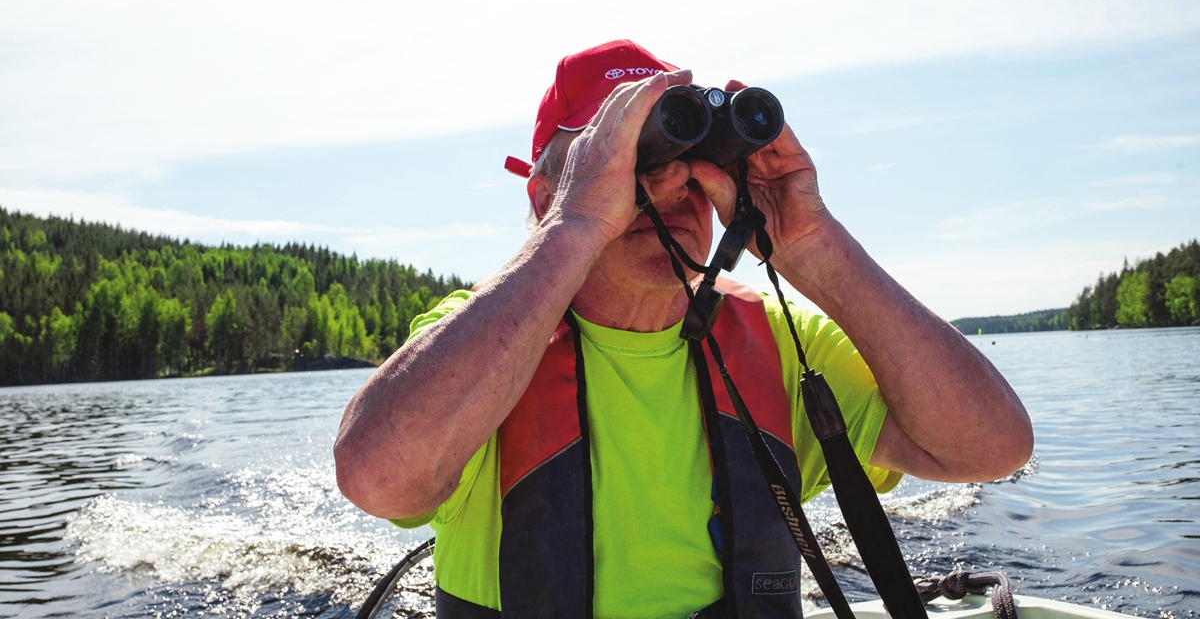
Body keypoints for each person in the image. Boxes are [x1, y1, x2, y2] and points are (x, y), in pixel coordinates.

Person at [334, 40, 1033, 618]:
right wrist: (576, 225)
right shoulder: (478, 346)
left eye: (689, 162)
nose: (669, 185)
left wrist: (815, 247)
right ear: (550, 193)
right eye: (627, 160)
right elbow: (377, 477)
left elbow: (992, 447)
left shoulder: (780, 346)